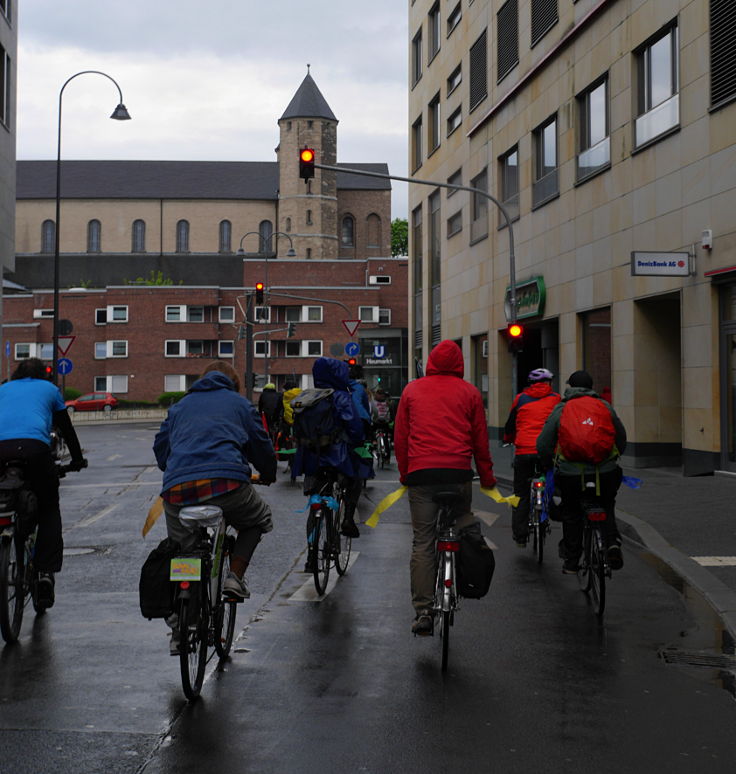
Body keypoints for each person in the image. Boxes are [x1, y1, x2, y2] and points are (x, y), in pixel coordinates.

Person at [153, 360, 276, 627]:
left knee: (182, 550)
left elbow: (161, 450)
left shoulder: (179, 407)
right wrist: (268, 473)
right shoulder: (240, 404)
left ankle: (180, 619)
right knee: (258, 519)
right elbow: (260, 445)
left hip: (177, 490)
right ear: (234, 384)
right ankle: (234, 578)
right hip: (227, 484)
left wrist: (175, 469)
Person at [394, 340, 496, 636]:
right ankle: (464, 576)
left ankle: (424, 610)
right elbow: (480, 441)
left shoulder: (412, 390)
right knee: (463, 525)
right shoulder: (470, 393)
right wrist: (487, 477)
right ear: (460, 364)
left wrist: (405, 473)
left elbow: (401, 438)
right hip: (458, 474)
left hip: (422, 476)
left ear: (430, 362)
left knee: (423, 541)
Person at [0, 358, 87, 609]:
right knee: (49, 508)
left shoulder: (3, 388)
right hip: (35, 450)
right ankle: (45, 573)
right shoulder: (49, 390)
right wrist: (77, 459)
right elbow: (66, 428)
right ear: (43, 375)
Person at [536, 370, 627, 574]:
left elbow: (543, 443)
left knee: (572, 512)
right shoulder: (604, 407)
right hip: (605, 471)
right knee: (606, 504)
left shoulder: (562, 408)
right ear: (591, 387)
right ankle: (612, 542)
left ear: (570, 387)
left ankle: (571, 560)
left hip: (571, 474)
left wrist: (547, 463)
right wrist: (614, 457)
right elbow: (621, 437)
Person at [291, 357, 369, 544]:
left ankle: (311, 556)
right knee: (357, 476)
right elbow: (354, 427)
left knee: (315, 502)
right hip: (337, 458)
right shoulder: (341, 396)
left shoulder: (308, 397)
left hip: (311, 459)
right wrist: (358, 441)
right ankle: (348, 518)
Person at [503, 368, 561, 546]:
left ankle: (520, 537)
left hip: (524, 452)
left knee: (520, 494)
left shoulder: (520, 399)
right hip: (547, 452)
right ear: (549, 383)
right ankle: (551, 507)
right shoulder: (556, 399)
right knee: (553, 480)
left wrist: (509, 439)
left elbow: (510, 425)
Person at [371, 387, 394, 457]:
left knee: (372, 431)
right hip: (385, 422)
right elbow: (391, 411)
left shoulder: (373, 402)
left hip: (376, 422)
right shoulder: (387, 402)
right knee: (386, 438)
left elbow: (371, 411)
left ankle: (374, 442)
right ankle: (387, 458)